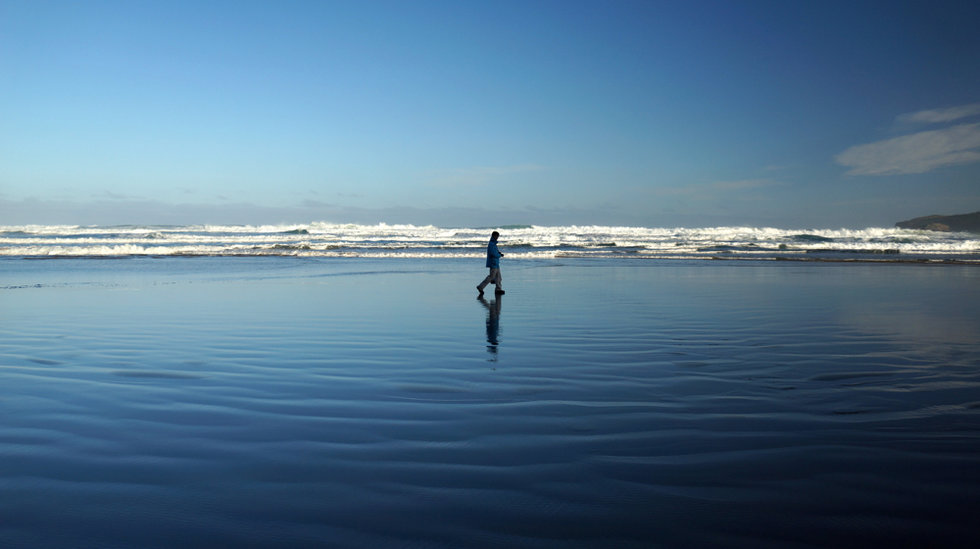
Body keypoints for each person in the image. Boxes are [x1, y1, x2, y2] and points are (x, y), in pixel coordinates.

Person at [477, 230, 505, 295]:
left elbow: (495, 252)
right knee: (491, 277)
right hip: (493, 263)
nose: (497, 237)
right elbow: (493, 254)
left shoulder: (493, 244)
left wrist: (499, 253)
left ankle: (498, 289)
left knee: (498, 277)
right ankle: (480, 287)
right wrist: (499, 255)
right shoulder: (491, 244)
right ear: (494, 236)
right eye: (497, 236)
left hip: (496, 263)